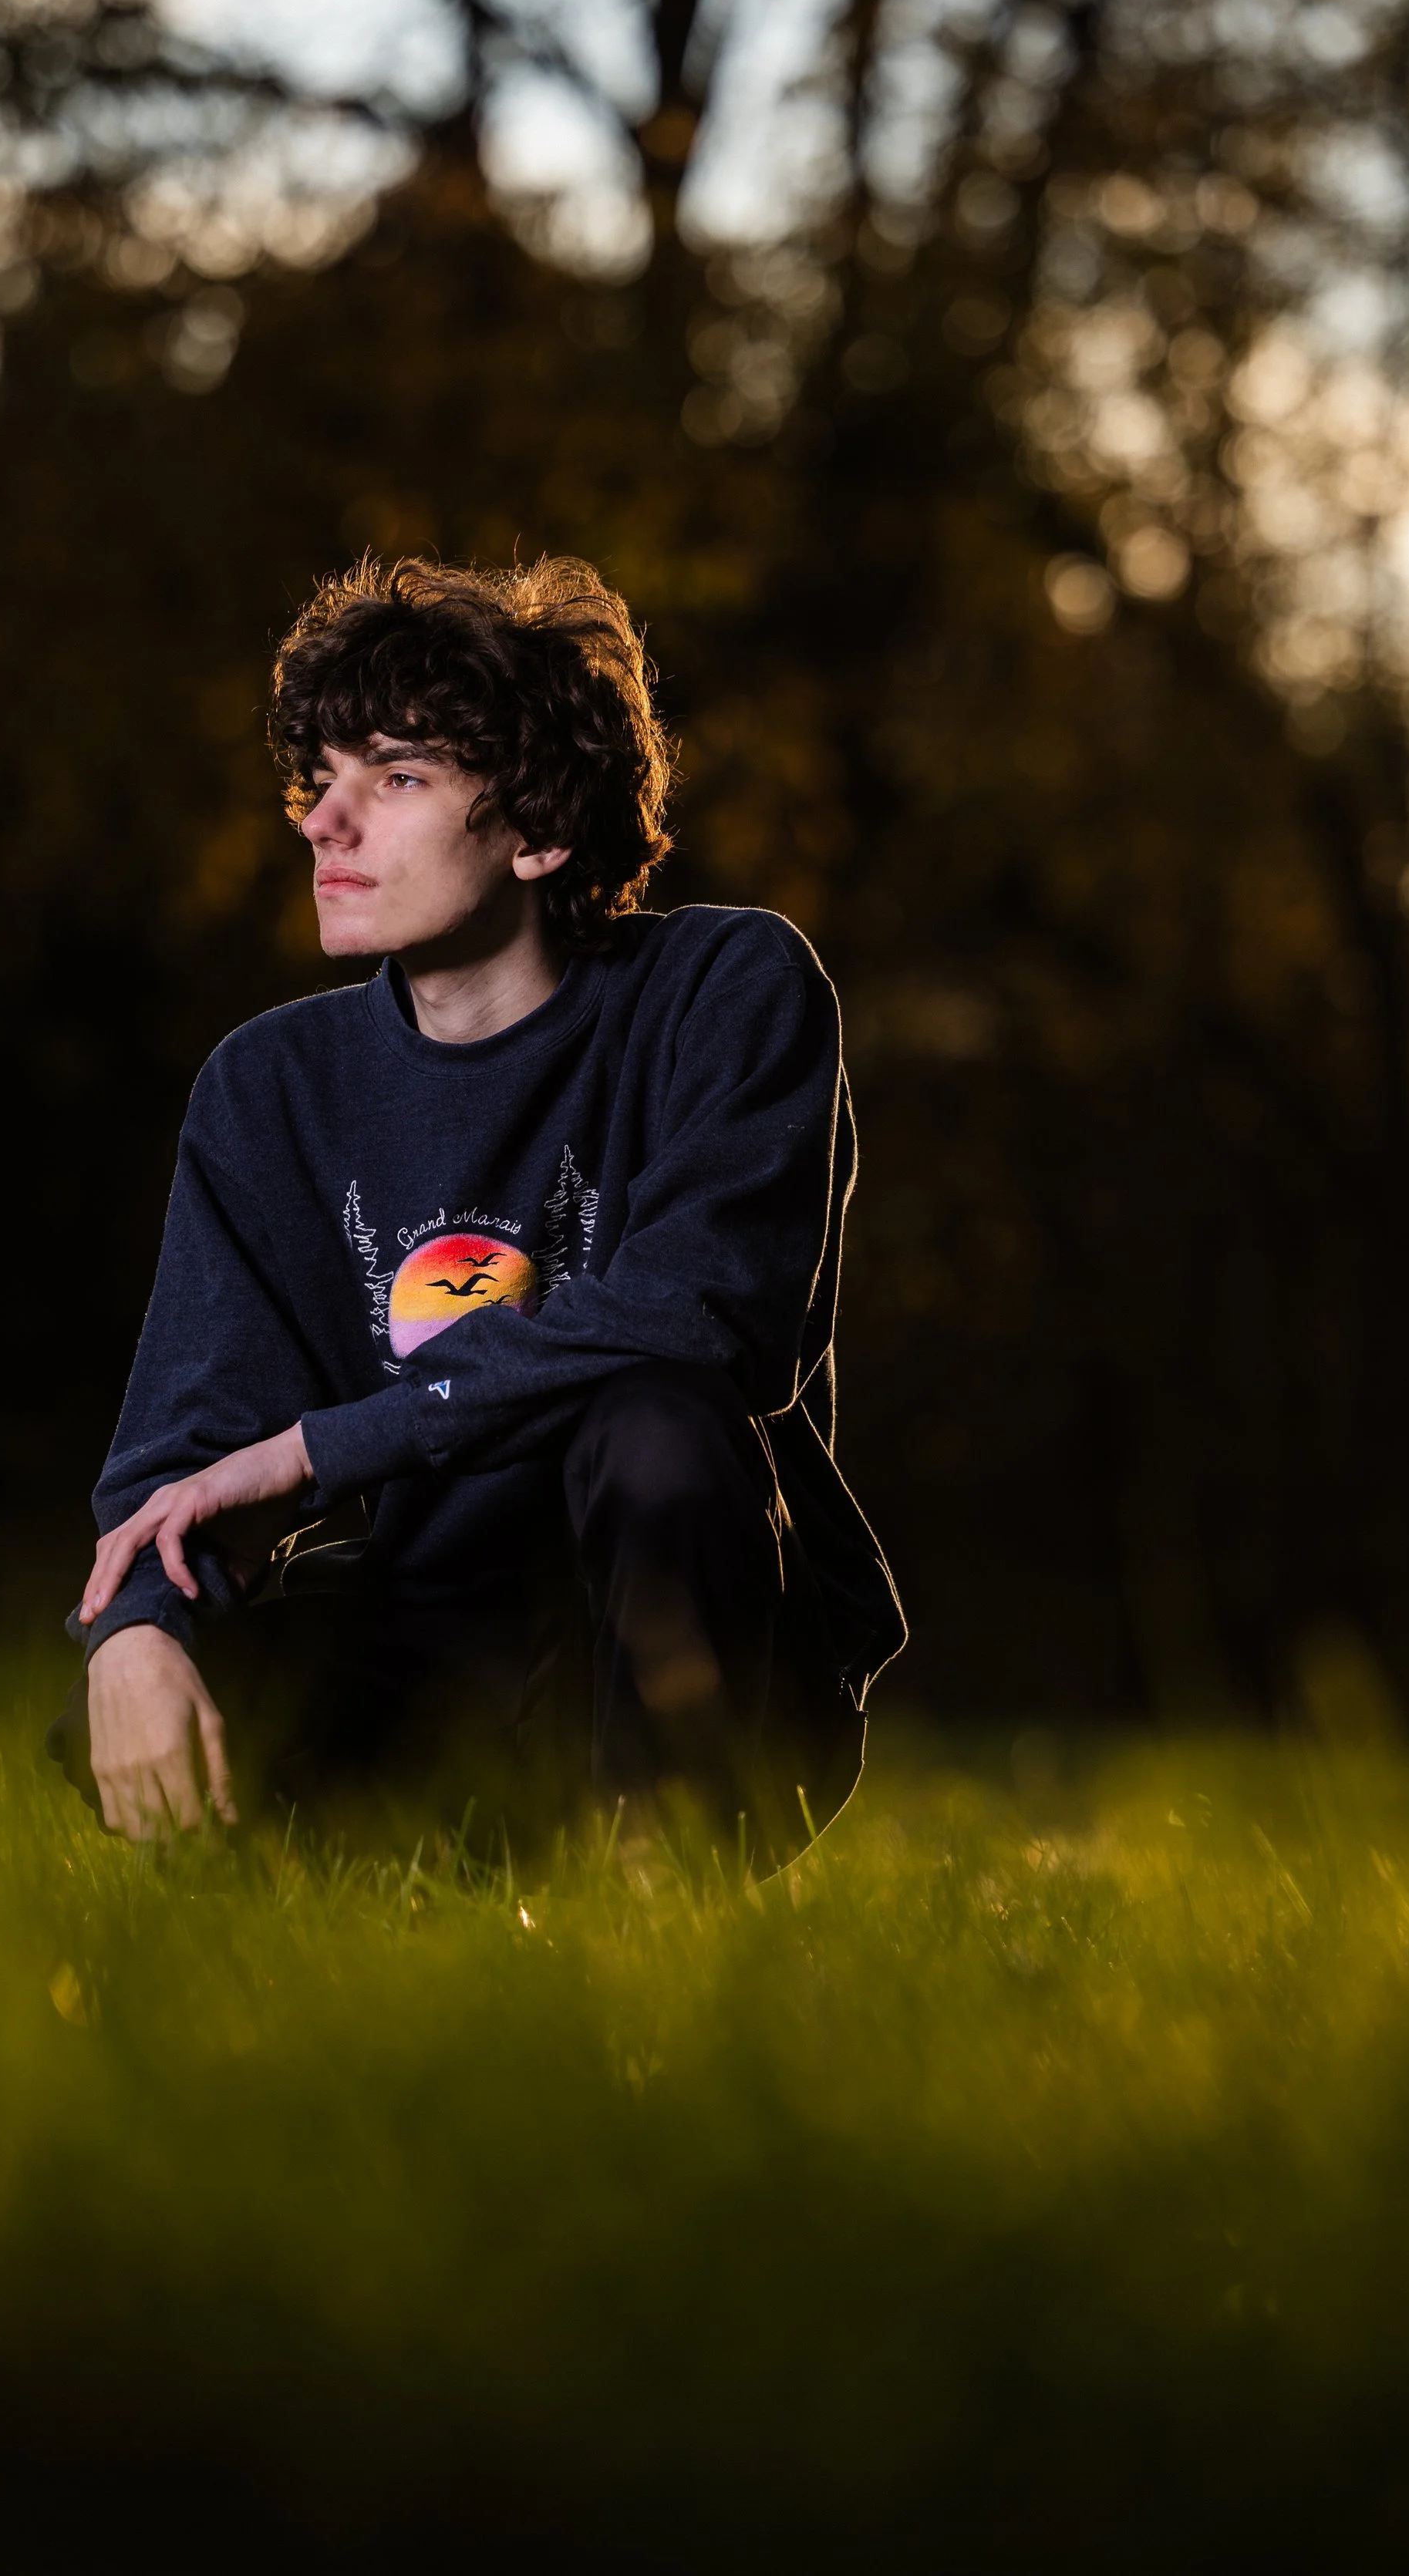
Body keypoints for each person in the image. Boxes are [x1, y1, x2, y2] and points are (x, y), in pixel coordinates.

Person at [49, 554, 903, 1849]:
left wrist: (320, 1446)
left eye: (394, 776)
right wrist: (134, 1640)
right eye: (320, 779)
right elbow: (183, 1459)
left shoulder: (728, 985)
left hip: (710, 1643)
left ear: (538, 828)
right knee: (123, 1714)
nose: (324, 823)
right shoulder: (270, 1086)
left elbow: (708, 1315)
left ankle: (656, 1923)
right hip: (436, 1637)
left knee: (657, 1422)